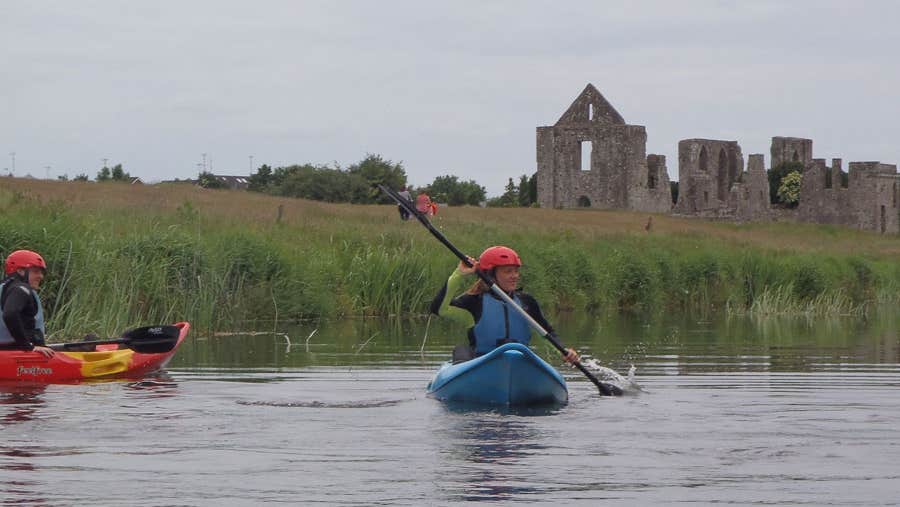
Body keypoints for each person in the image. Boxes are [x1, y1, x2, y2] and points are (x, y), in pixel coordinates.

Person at [430, 245, 579, 364]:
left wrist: (564, 352)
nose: (514, 276)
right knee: (461, 350)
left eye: (516, 271)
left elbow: (547, 333)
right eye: (508, 271)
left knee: (533, 356)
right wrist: (459, 274)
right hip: (482, 364)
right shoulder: (474, 301)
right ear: (491, 275)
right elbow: (438, 309)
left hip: (518, 363)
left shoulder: (527, 303)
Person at [0, 250, 54, 358]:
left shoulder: (4, 287)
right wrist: (28, 346)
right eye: (35, 271)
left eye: (41, 272)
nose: (40, 276)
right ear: (20, 271)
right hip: (19, 355)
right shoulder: (21, 289)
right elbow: (10, 313)